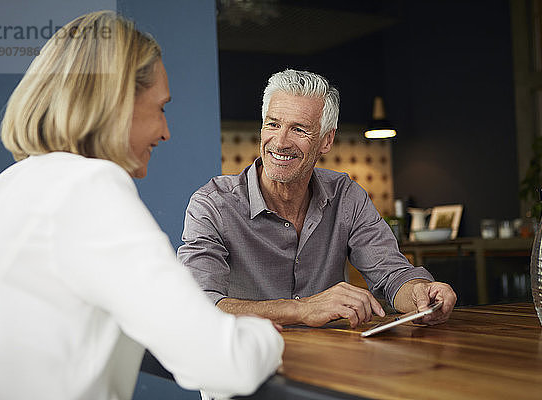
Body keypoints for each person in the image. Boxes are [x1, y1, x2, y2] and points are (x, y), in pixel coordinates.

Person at [0, 11, 283, 400]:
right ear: (116, 102)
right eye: (161, 107)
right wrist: (265, 334)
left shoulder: (9, 185)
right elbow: (223, 362)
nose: (166, 132)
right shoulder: (87, 186)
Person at [177, 69, 457, 328]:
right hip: (244, 370)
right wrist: (302, 309)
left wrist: (421, 293)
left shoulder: (346, 196)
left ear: (326, 140)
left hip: (327, 361)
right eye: (273, 124)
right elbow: (196, 304)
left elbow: (392, 274)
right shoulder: (212, 204)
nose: (281, 141)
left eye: (299, 129)